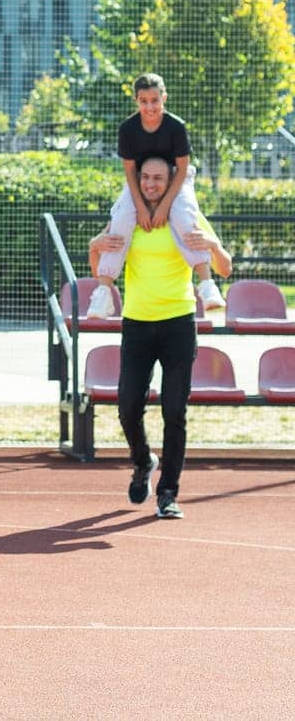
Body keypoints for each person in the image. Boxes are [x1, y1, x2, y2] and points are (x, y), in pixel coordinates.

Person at [89, 154, 232, 519]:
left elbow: (225, 268)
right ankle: (143, 462)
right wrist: (95, 247)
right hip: (137, 325)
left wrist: (213, 247)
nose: (151, 184)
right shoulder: (128, 215)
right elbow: (100, 266)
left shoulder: (186, 213)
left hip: (178, 324)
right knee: (127, 408)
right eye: (146, 178)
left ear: (171, 181)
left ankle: (168, 493)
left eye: (158, 178)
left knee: (174, 411)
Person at [88, 73, 223, 318]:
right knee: (120, 220)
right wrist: (140, 206)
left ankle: (206, 284)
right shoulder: (128, 129)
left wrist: (164, 207)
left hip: (174, 178)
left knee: (184, 216)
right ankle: (103, 293)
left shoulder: (176, 127)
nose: (149, 107)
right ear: (136, 101)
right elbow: (129, 171)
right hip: (141, 179)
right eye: (143, 101)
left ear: (164, 98)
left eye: (154, 100)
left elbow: (182, 169)